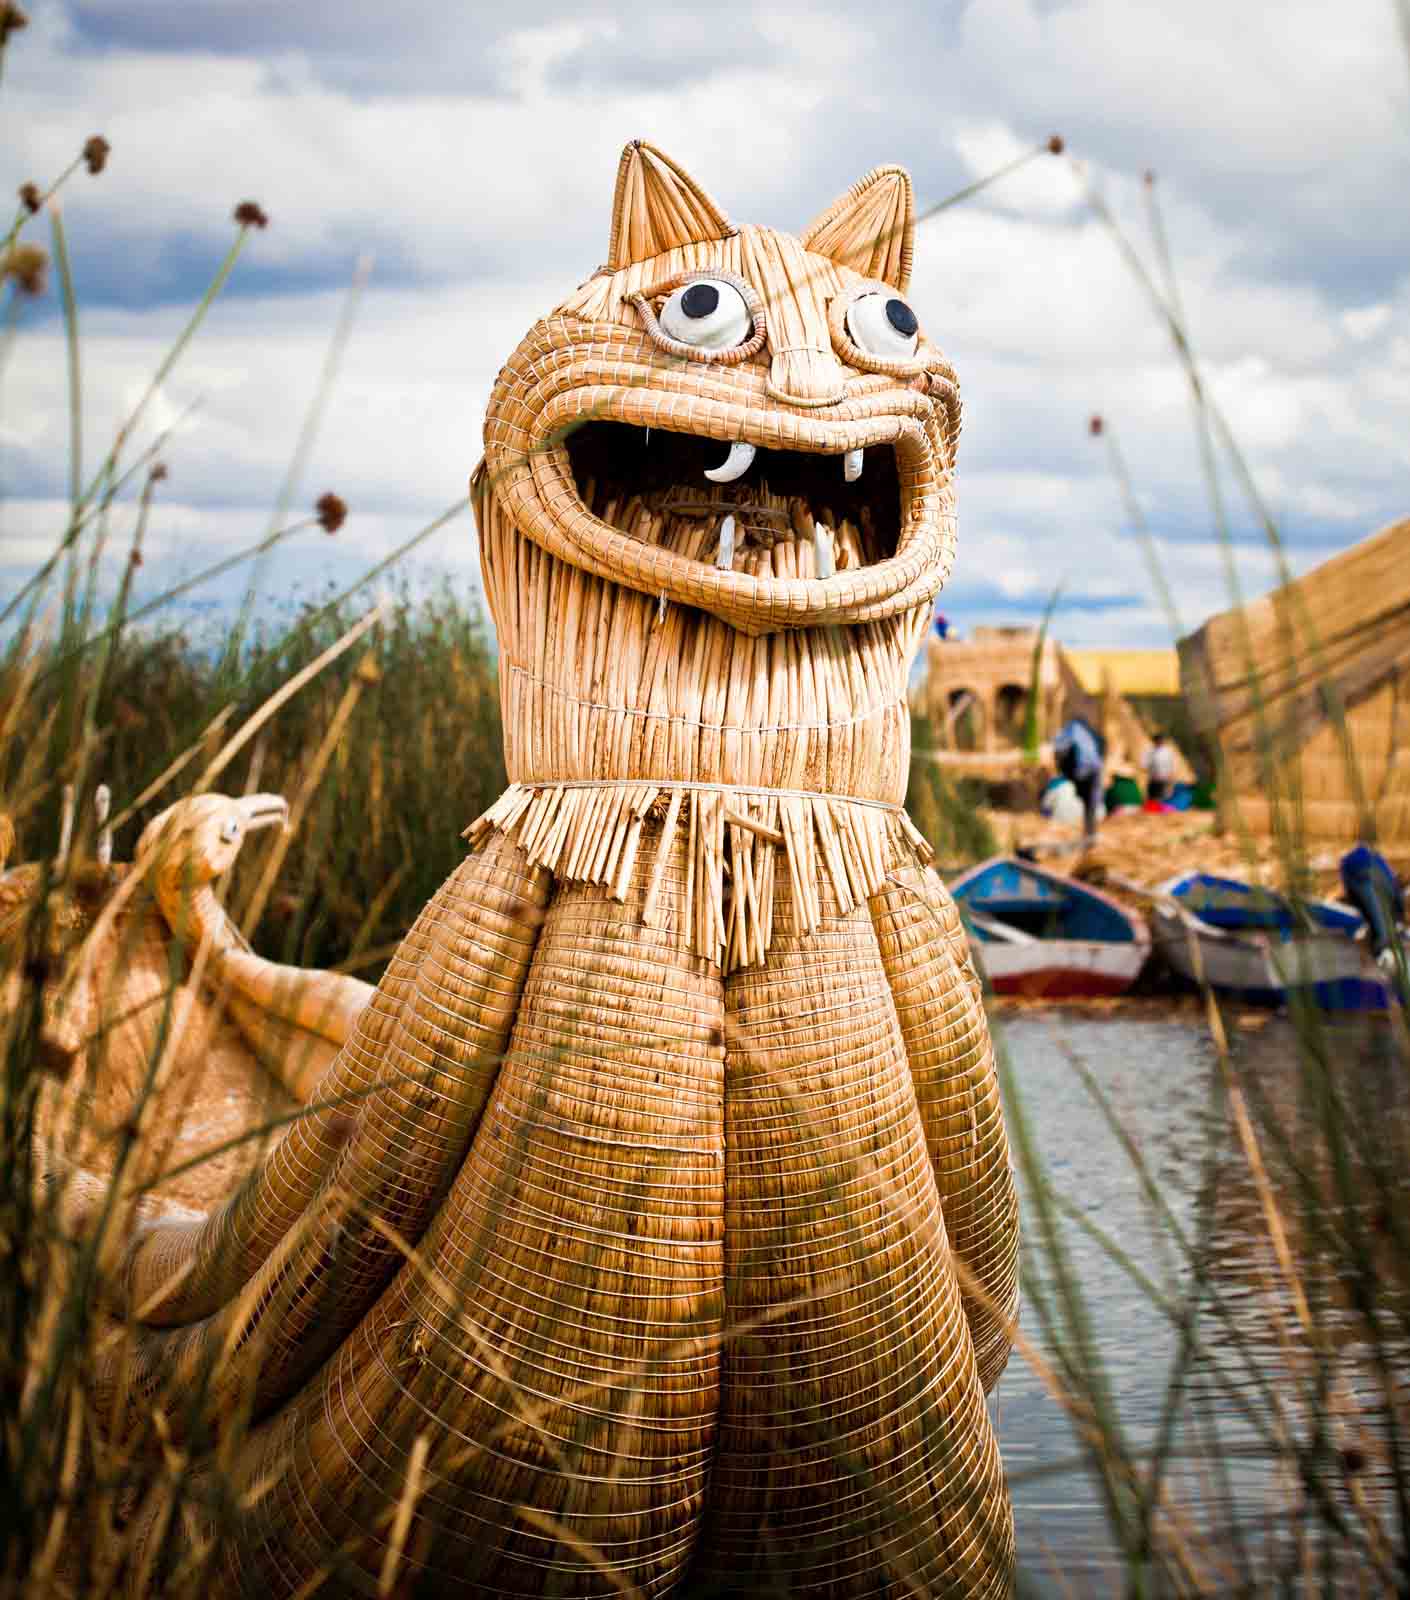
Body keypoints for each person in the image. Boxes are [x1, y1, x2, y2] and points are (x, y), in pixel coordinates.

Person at [1340, 843, 1406, 974]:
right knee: (1379, 923)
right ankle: (1378, 953)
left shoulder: (1393, 893)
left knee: (1377, 920)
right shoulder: (1394, 901)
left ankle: (1377, 952)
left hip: (1357, 868)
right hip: (1361, 870)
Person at [1052, 717, 1104, 845]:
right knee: (1090, 806)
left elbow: (1059, 752)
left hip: (1083, 774)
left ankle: (1089, 836)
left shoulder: (1069, 734)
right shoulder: (1087, 734)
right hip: (1092, 772)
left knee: (1088, 805)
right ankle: (1090, 835)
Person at [1143, 731, 1176, 804]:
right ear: (1154, 741)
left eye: (1161, 740)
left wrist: (1170, 775)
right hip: (1153, 778)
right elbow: (1145, 765)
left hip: (1164, 777)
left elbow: (1171, 765)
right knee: (1152, 796)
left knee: (1162, 796)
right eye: (1158, 740)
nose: (1160, 742)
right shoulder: (1149, 751)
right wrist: (1150, 772)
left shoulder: (1167, 751)